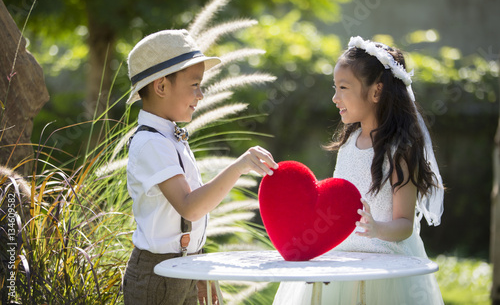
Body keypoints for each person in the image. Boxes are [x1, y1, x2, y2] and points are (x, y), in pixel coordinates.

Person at [273, 36, 444, 305]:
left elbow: (404, 225)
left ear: (376, 92)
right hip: (340, 259)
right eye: (335, 87)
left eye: (343, 88)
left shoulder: (400, 149)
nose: (334, 97)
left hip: (384, 266)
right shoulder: (348, 144)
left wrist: (375, 228)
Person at [122, 29, 278, 305]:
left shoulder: (170, 136)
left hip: (183, 267)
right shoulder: (150, 143)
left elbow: (189, 222)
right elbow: (190, 207)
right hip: (156, 276)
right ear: (160, 87)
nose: (202, 94)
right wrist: (239, 166)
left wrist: (199, 267)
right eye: (194, 85)